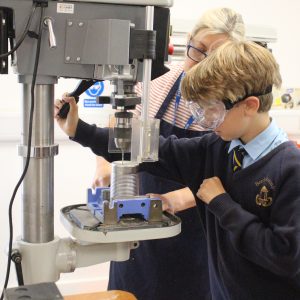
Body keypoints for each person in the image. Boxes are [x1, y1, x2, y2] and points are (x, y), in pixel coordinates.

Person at [55, 39, 300, 299]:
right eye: (201, 110)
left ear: (250, 105)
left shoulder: (290, 169)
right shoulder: (216, 148)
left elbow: (285, 256)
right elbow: (153, 152)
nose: (205, 120)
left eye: (213, 110)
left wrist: (221, 203)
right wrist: (79, 130)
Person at [89, 8, 244, 300]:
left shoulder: (231, 107)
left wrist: (172, 200)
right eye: (197, 50)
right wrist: (102, 165)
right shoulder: (157, 83)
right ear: (187, 41)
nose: (200, 63)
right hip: (141, 223)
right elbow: (118, 123)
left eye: (214, 56)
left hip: (197, 232)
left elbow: (229, 174)